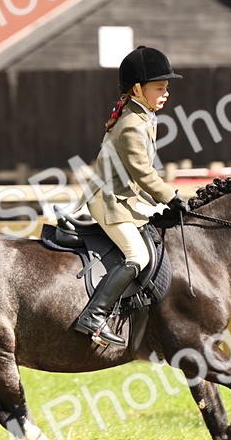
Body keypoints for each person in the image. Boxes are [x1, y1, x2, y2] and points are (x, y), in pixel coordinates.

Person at [72, 45, 188, 346]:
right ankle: (94, 316)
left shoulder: (143, 117)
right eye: (159, 88)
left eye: (167, 88)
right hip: (109, 202)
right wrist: (170, 196)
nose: (166, 94)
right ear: (137, 88)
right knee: (138, 255)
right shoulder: (131, 126)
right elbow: (143, 173)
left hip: (126, 199)